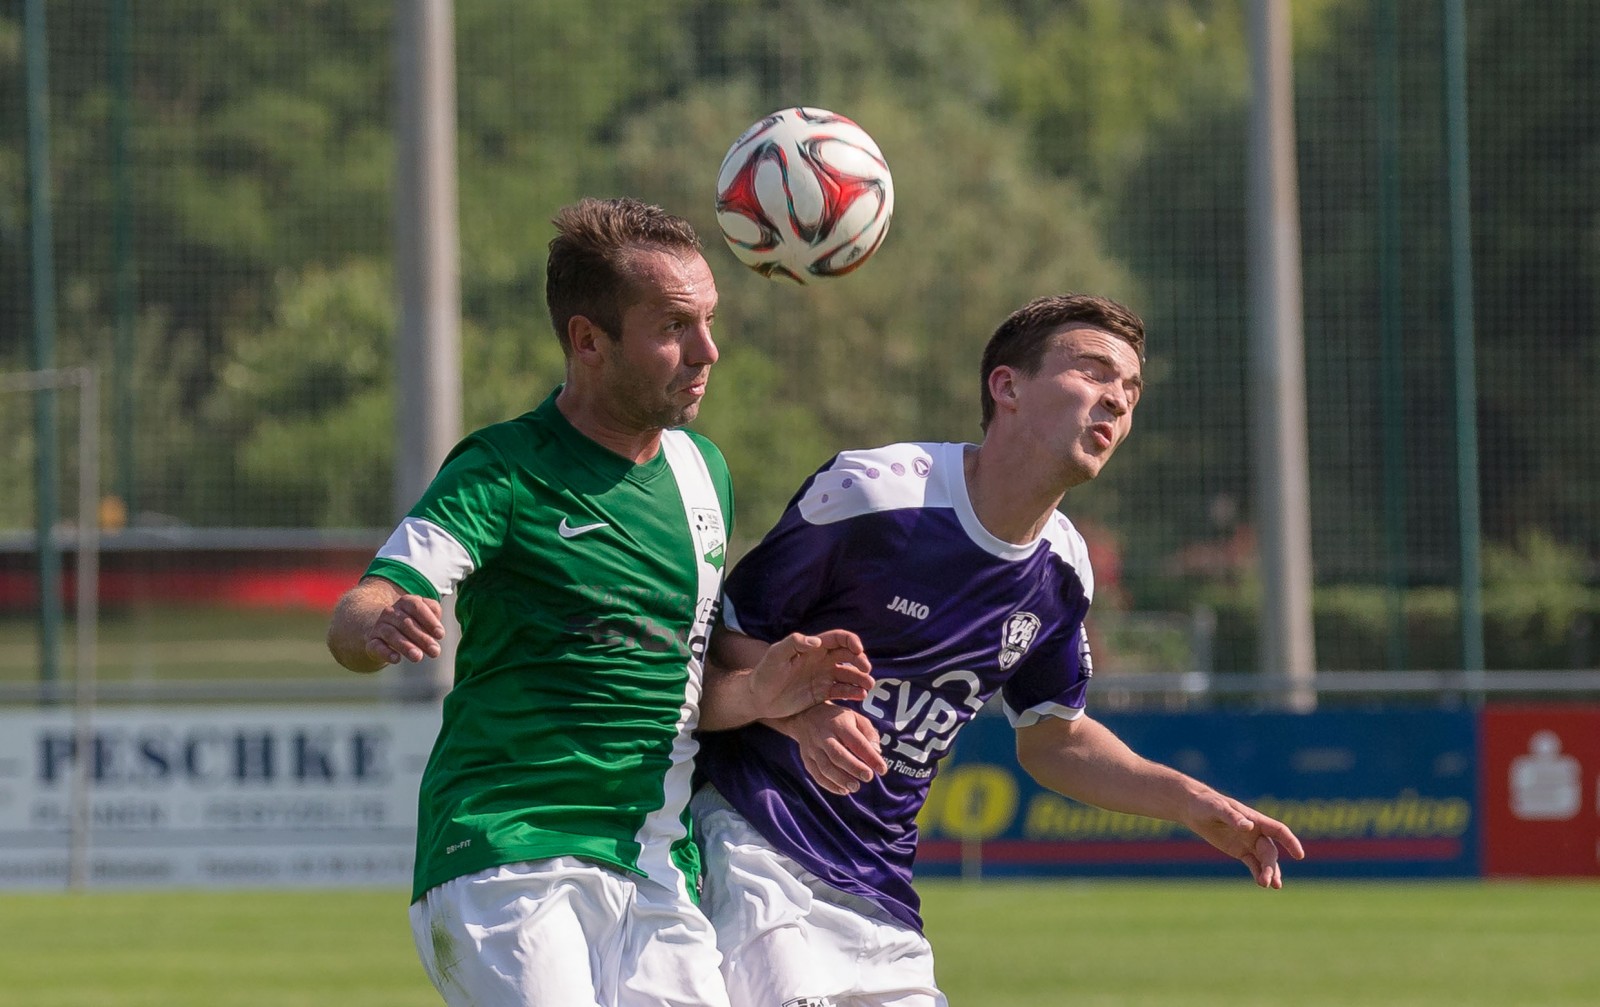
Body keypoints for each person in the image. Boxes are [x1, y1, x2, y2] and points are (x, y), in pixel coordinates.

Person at [327, 196, 872, 1007]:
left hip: (655, 864)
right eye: (674, 327)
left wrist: (764, 693)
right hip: (509, 856)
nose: (707, 351)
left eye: (710, 321)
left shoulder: (702, 473)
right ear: (588, 340)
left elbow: (673, 678)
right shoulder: (501, 470)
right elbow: (358, 611)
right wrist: (379, 618)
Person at [691, 293, 1307, 1007]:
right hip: (751, 846)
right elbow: (719, 648)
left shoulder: (1064, 568)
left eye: (1131, 391)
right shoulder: (875, 495)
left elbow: (1055, 739)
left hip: (878, 893)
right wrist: (796, 712)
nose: (1116, 400)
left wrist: (1193, 803)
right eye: (1094, 371)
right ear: (1007, 386)